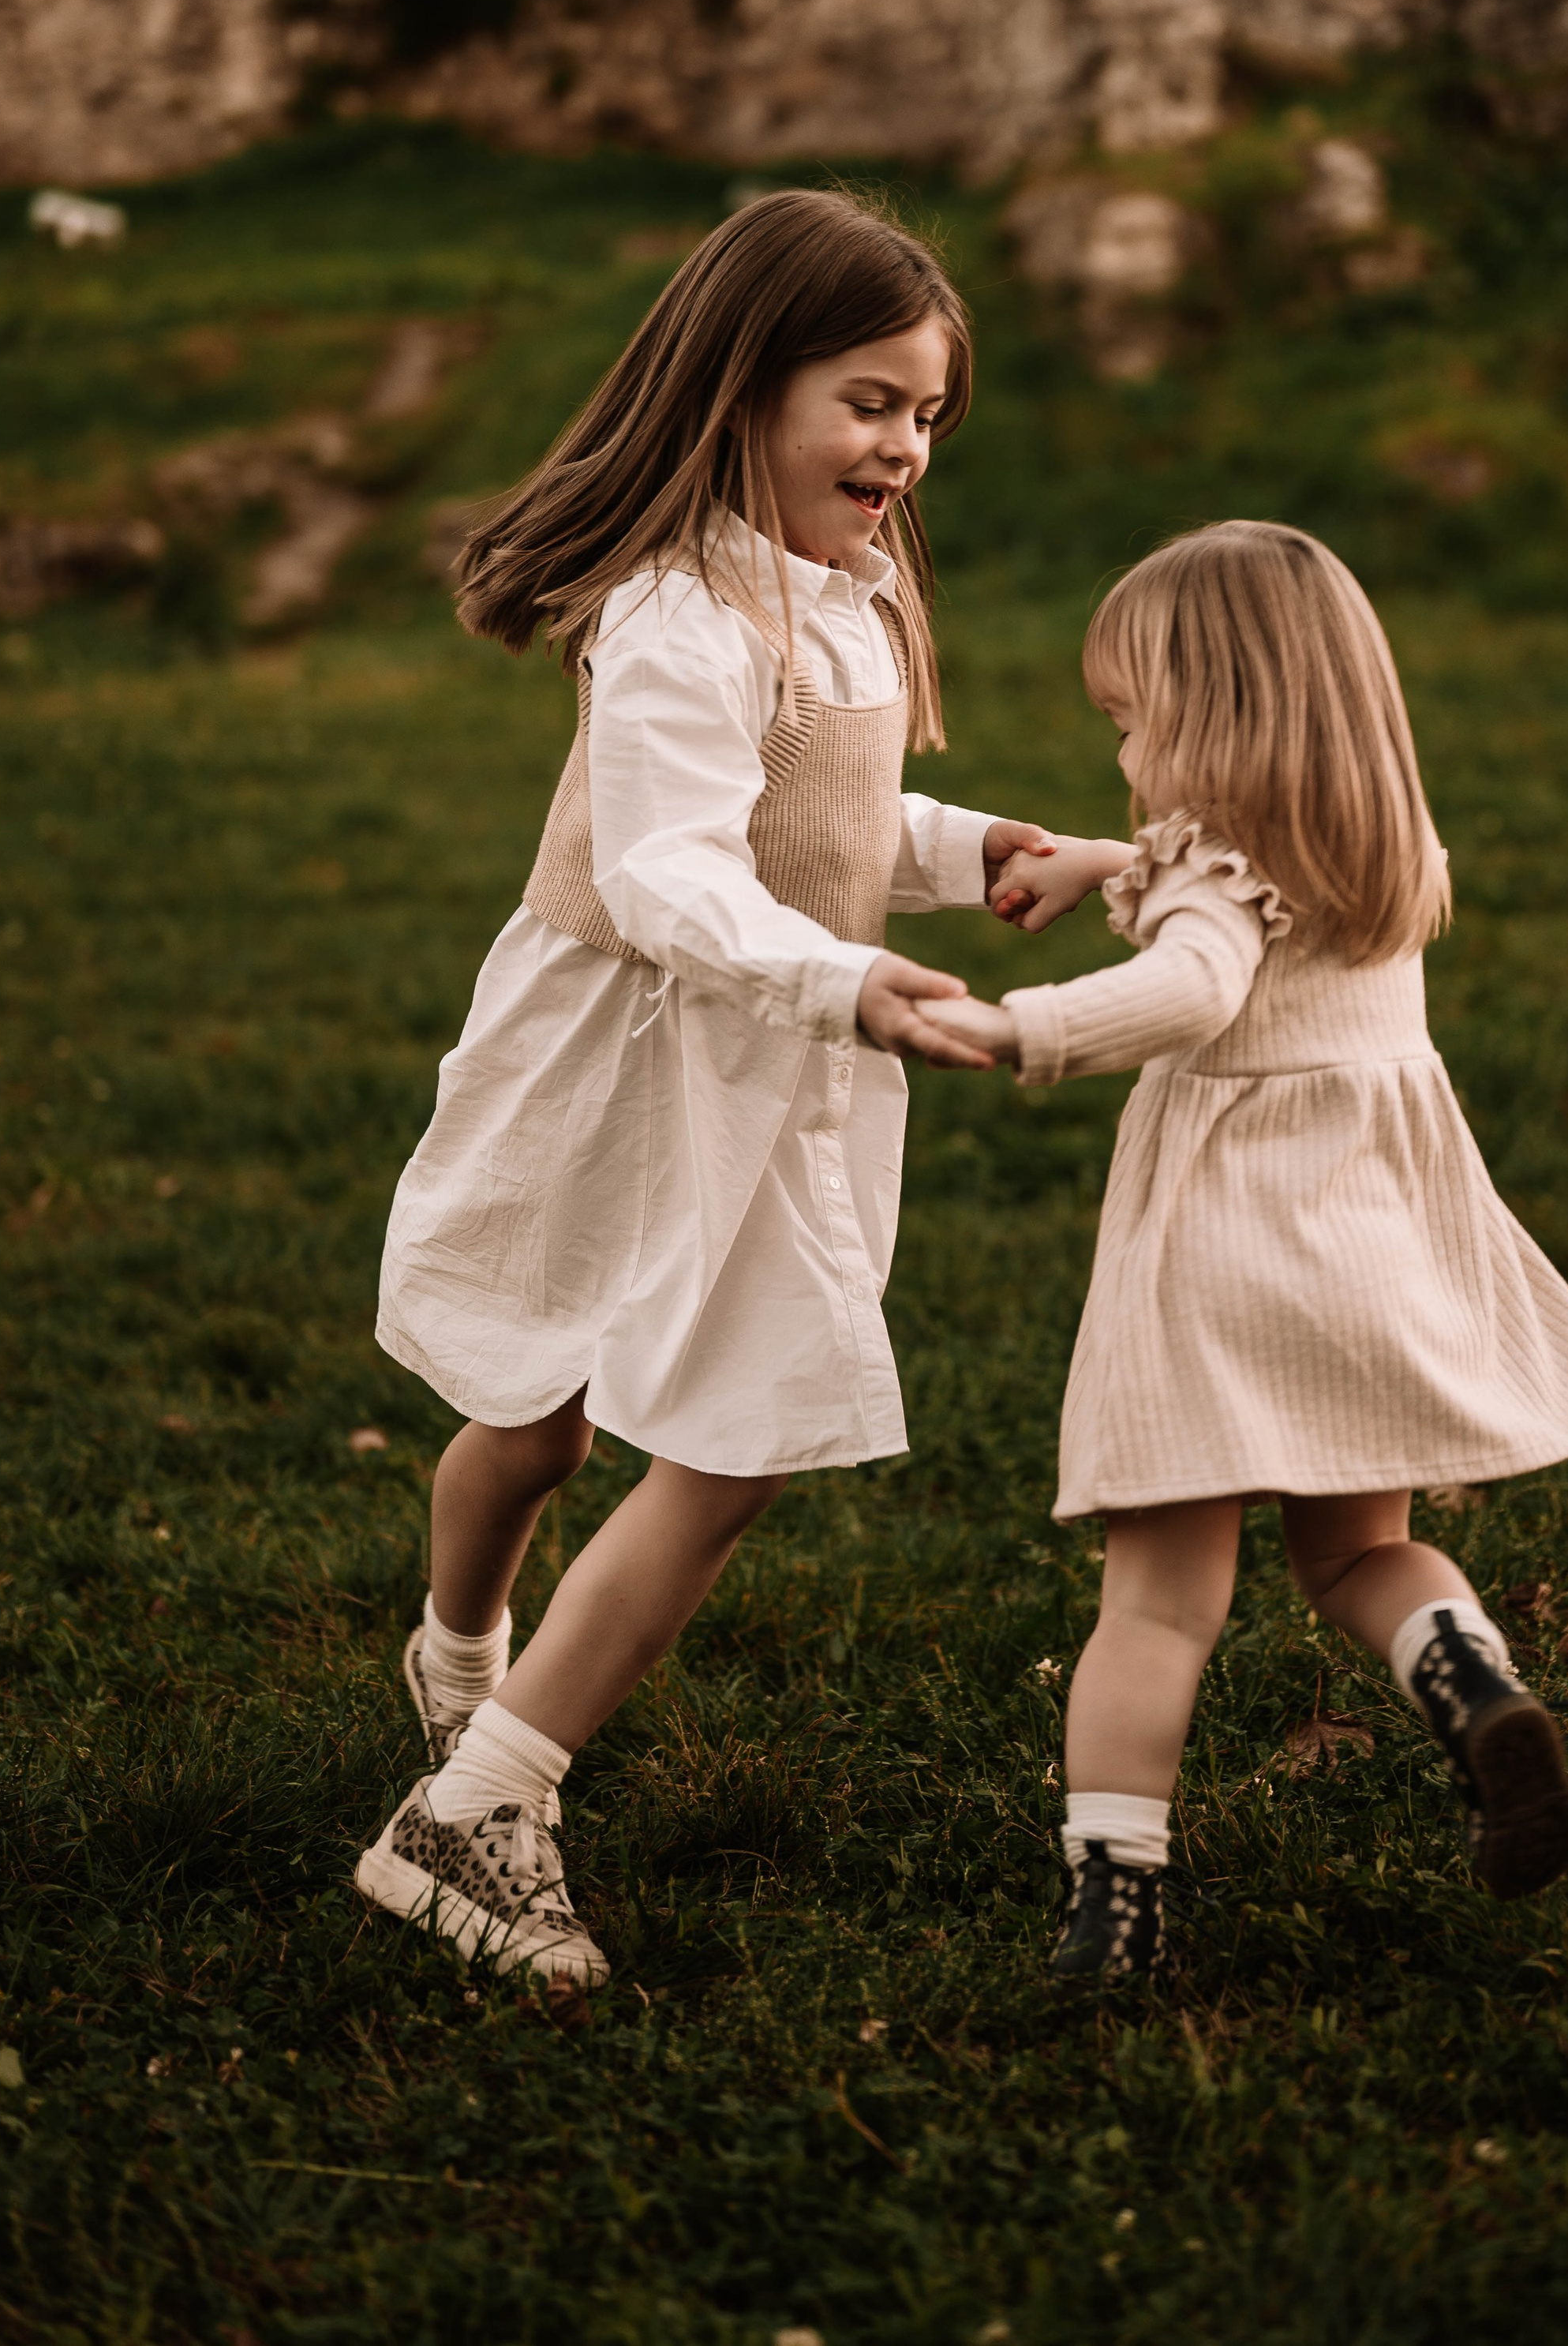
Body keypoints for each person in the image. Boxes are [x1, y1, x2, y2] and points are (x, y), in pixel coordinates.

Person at [353, 189, 1091, 2000]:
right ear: (742, 384)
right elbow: (676, 875)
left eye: (924, 413)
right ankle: (462, 1674)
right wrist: (847, 979)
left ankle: (487, 1783)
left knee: (742, 1428)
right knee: (536, 1413)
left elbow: (828, 822)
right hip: (624, 1058)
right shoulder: (674, 615)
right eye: (866, 402)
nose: (902, 447)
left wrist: (972, 842)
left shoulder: (837, 601)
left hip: (762, 1065)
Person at [917, 520, 1568, 1978]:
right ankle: (1468, 1681)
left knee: (1160, 1604)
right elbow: (1226, 889)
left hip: (1221, 1265)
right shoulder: (1378, 845)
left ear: (1207, 714)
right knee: (1364, 1548)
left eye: (1130, 724)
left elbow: (1195, 978)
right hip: (1363, 1249)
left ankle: (1116, 1906)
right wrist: (1108, 861)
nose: (1123, 755)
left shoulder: (1212, 881)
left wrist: (1025, 1027)